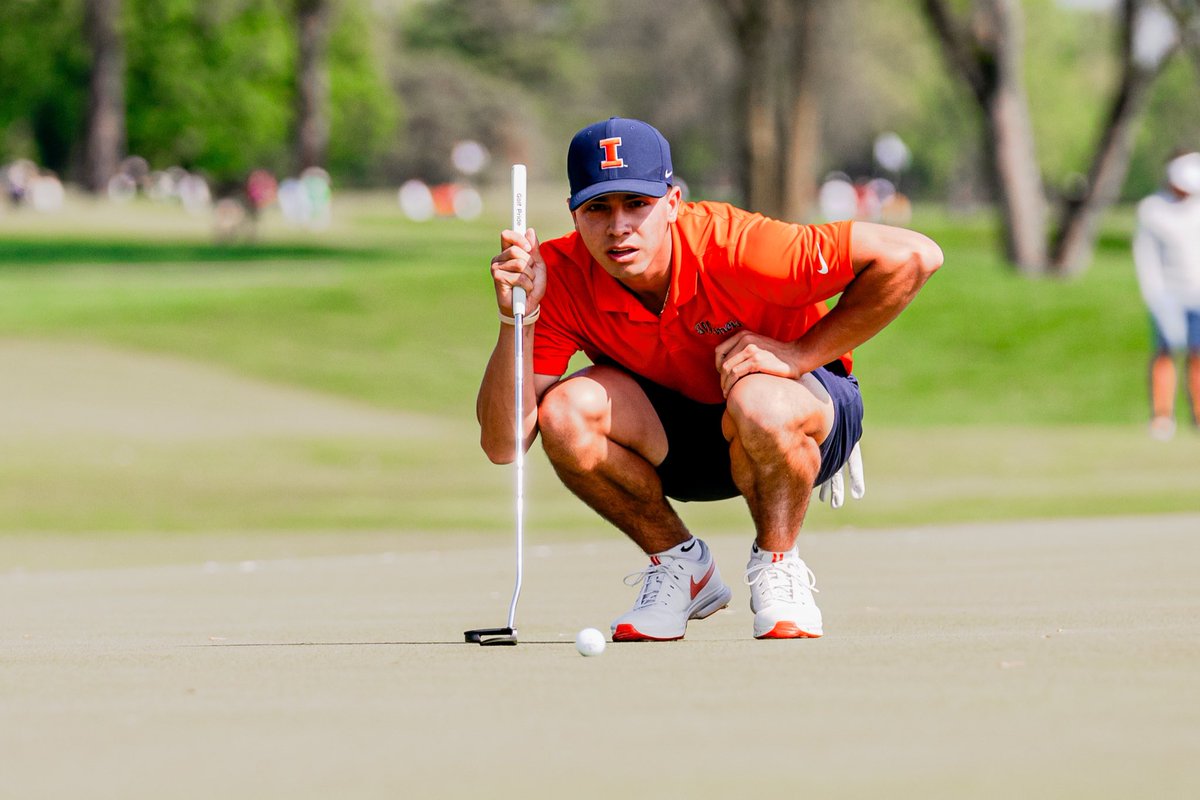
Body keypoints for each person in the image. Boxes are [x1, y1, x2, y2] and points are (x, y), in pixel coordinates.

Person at [478, 118, 942, 641]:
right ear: (574, 215)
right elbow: (504, 445)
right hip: (675, 438)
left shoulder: (740, 244)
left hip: (791, 412)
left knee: (762, 402)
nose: (618, 227)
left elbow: (916, 255)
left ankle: (777, 563)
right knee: (564, 412)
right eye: (598, 209)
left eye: (637, 204)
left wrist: (798, 356)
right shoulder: (555, 275)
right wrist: (517, 320)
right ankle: (681, 567)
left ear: (673, 203)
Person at [1132, 149, 1200, 440]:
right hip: (1168, 294)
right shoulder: (1152, 209)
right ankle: (1162, 416)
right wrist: (1154, 296)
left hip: (1198, 293)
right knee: (1165, 352)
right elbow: (1145, 257)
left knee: (1198, 355)